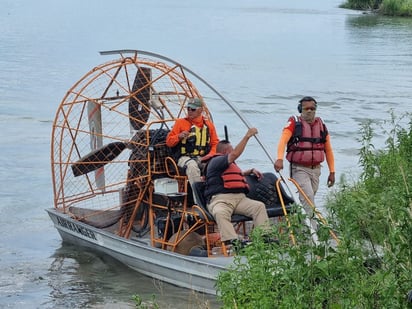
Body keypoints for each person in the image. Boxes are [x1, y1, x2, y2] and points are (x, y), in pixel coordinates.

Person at [274, 96, 335, 230]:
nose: (309, 111)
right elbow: (283, 141)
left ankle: (297, 225)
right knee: (308, 199)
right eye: (306, 108)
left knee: (307, 200)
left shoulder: (322, 126)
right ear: (300, 109)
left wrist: (332, 171)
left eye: (312, 109)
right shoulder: (293, 123)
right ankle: (313, 232)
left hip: (316, 170)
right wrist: (279, 158)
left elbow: (328, 149)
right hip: (299, 169)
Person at [203, 128, 271, 246]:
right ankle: (233, 242)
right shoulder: (216, 161)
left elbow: (232, 175)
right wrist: (247, 136)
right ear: (225, 152)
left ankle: (264, 238)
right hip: (221, 200)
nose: (234, 152)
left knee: (258, 207)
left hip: (240, 199)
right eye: (231, 150)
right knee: (220, 212)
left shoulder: (228, 164)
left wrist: (250, 171)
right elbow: (235, 154)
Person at [166, 97, 219, 187]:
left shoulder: (209, 125)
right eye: (188, 108)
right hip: (184, 158)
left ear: (200, 110)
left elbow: (215, 143)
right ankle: (198, 198)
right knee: (192, 167)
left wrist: (209, 156)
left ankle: (217, 193)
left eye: (193, 109)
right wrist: (179, 136)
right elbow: (169, 142)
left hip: (203, 157)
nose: (190, 111)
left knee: (217, 165)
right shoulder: (180, 123)